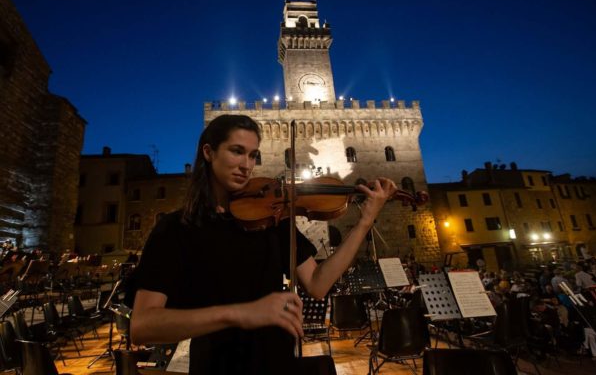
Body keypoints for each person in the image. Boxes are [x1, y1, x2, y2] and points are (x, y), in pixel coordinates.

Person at [130, 114, 398, 374]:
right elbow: (143, 325)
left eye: (252, 155)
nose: (246, 164)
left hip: (278, 363)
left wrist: (365, 221)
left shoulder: (273, 219)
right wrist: (241, 313)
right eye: (237, 151)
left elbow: (318, 284)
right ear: (209, 153)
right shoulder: (177, 229)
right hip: (216, 366)